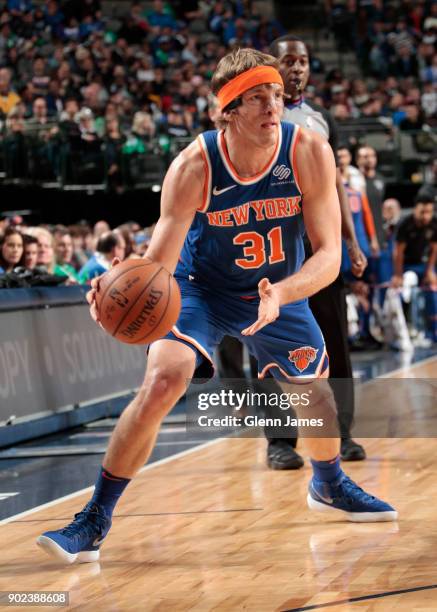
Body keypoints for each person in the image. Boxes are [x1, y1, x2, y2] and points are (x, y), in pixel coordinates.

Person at [37, 48, 397, 565]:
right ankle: (94, 517)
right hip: (200, 288)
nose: (273, 108)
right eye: (257, 99)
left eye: (275, 96)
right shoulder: (194, 165)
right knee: (164, 378)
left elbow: (330, 255)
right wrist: (116, 286)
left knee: (316, 397)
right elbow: (157, 263)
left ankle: (329, 484)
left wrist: (285, 293)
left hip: (276, 288)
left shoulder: (309, 150)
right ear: (228, 110)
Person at [268, 34, 368, 463]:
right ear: (272, 65)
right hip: (273, 250)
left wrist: (353, 240)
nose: (297, 67)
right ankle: (279, 442)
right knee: (270, 345)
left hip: (319, 250)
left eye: (303, 61)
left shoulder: (322, 118)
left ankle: (341, 434)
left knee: (334, 341)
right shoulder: (258, 114)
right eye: (288, 60)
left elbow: (334, 186)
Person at [392, 194, 437, 288]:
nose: (425, 216)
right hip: (405, 264)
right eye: (422, 212)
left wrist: (429, 271)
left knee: (432, 284)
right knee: (409, 280)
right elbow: (398, 252)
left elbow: (434, 249)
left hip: (422, 263)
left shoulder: (434, 223)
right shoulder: (405, 224)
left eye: (429, 212)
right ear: (415, 210)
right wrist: (398, 275)